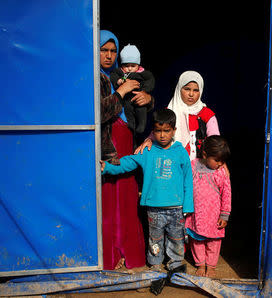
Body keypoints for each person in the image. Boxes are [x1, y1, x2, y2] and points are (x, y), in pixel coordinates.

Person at [100, 109, 193, 272]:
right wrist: (107, 167)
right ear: (153, 131)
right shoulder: (147, 151)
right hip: (154, 208)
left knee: (176, 238)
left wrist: (188, 206)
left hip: (176, 208)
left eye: (166, 131)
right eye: (158, 131)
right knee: (154, 239)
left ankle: (176, 262)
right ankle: (156, 263)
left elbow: (188, 180)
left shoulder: (180, 152)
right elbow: (127, 163)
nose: (162, 135)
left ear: (174, 130)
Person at [99, 29, 153, 270]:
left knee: (127, 198)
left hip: (126, 144)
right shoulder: (94, 78)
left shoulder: (119, 77)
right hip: (106, 149)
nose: (109, 56)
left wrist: (147, 99)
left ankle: (129, 255)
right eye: (104, 50)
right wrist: (121, 92)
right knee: (108, 202)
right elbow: (97, 114)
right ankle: (109, 257)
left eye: (113, 51)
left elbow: (138, 112)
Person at [135, 71, 220, 161]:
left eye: (196, 90)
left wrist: (219, 160)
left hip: (200, 166)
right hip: (173, 163)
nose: (191, 94)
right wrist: (149, 140)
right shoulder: (170, 112)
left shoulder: (207, 114)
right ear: (179, 89)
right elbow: (158, 131)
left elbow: (215, 143)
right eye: (187, 89)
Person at [185, 135, 232, 278]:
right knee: (197, 240)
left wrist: (224, 215)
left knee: (213, 242)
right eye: (217, 160)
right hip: (196, 215)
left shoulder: (221, 172)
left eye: (222, 161)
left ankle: (211, 266)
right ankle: (201, 264)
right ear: (205, 154)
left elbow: (226, 194)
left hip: (214, 216)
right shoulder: (193, 165)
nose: (220, 164)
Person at [110, 44, 155, 135]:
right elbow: (113, 76)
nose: (129, 68)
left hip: (138, 96)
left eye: (133, 66)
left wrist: (145, 90)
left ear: (138, 65)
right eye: (126, 66)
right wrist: (119, 82)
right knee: (128, 110)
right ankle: (131, 126)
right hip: (127, 99)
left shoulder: (143, 73)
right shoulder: (119, 72)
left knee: (141, 110)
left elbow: (151, 80)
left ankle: (141, 126)